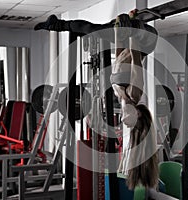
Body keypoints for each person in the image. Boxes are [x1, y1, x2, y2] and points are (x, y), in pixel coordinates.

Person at [35, 11, 159, 190]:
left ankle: (55, 25)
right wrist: (128, 28)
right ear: (138, 112)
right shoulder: (135, 92)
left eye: (126, 123)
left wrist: (120, 32)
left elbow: (119, 54)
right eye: (129, 121)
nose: (123, 120)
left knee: (95, 30)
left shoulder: (119, 94)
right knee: (94, 30)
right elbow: (135, 52)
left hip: (133, 36)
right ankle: (55, 25)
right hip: (145, 40)